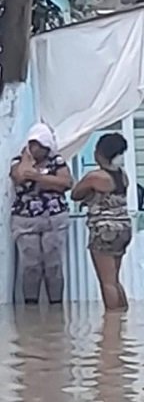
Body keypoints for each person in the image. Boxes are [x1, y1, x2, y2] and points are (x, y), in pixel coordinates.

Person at [9, 123, 73, 304]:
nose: (34, 148)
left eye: (38, 145)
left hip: (53, 219)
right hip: (25, 220)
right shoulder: (19, 161)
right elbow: (19, 176)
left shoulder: (57, 162)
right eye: (32, 144)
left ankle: (56, 306)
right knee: (30, 265)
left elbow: (66, 183)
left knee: (53, 264)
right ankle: (31, 306)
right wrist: (27, 160)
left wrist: (38, 177)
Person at [71, 133, 132, 311]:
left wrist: (88, 195)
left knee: (106, 283)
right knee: (114, 280)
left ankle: (112, 322)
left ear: (100, 153)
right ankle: (123, 316)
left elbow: (75, 194)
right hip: (124, 228)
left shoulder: (96, 177)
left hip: (104, 230)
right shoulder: (122, 176)